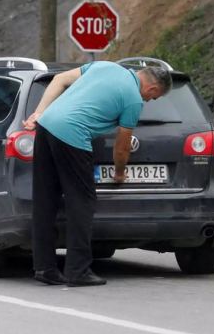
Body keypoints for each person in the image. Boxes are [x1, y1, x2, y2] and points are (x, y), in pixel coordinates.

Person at [23, 61, 173, 286]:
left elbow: (59, 80)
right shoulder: (133, 99)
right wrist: (120, 173)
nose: (148, 100)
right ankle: (78, 271)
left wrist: (38, 113)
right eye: (153, 97)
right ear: (152, 89)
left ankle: (44, 268)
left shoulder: (104, 66)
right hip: (72, 134)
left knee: (46, 200)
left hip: (45, 126)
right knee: (82, 202)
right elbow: (122, 147)